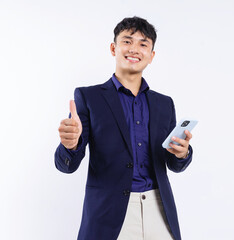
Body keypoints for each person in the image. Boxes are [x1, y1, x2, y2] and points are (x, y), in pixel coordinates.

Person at [54, 16, 194, 240]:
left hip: (159, 210)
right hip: (110, 214)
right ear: (113, 48)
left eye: (143, 44)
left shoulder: (164, 103)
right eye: (127, 41)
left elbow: (174, 164)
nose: (134, 49)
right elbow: (67, 166)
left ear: (151, 55)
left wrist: (183, 152)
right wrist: (70, 145)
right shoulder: (89, 97)